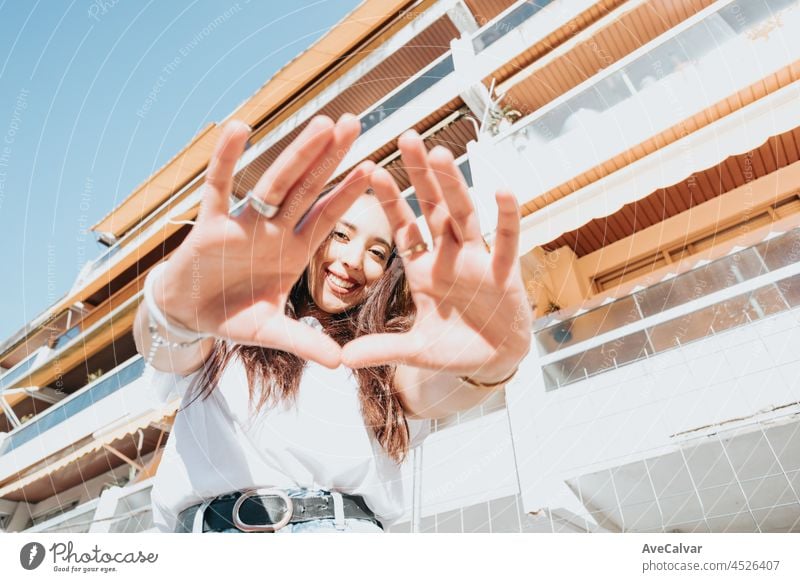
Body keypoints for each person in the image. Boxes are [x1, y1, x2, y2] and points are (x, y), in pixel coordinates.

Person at [133, 113, 533, 533]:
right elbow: (164, 348)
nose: (353, 262)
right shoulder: (231, 320)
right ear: (313, 235)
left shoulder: (382, 353)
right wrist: (174, 309)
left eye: (378, 253)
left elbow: (432, 389)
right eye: (341, 236)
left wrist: (490, 365)